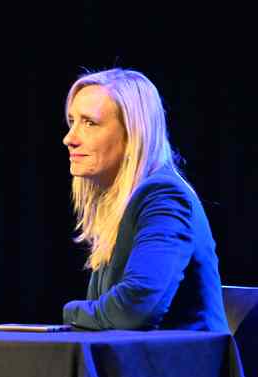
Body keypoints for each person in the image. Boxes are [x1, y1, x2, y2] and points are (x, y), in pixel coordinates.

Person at [61, 68, 229, 332]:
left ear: (132, 134)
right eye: (72, 122)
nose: (69, 138)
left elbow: (134, 310)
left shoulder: (163, 198)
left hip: (182, 369)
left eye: (89, 123)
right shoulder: (121, 202)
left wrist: (71, 310)